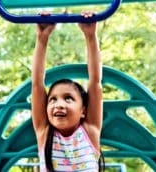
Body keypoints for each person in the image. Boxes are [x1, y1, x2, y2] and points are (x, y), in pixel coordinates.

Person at [31, 11, 103, 172]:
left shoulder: (90, 131)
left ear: (83, 110)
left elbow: (95, 82)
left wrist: (91, 36)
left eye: (68, 98)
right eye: (53, 99)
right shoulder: (45, 132)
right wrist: (42, 37)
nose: (59, 104)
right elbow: (37, 85)